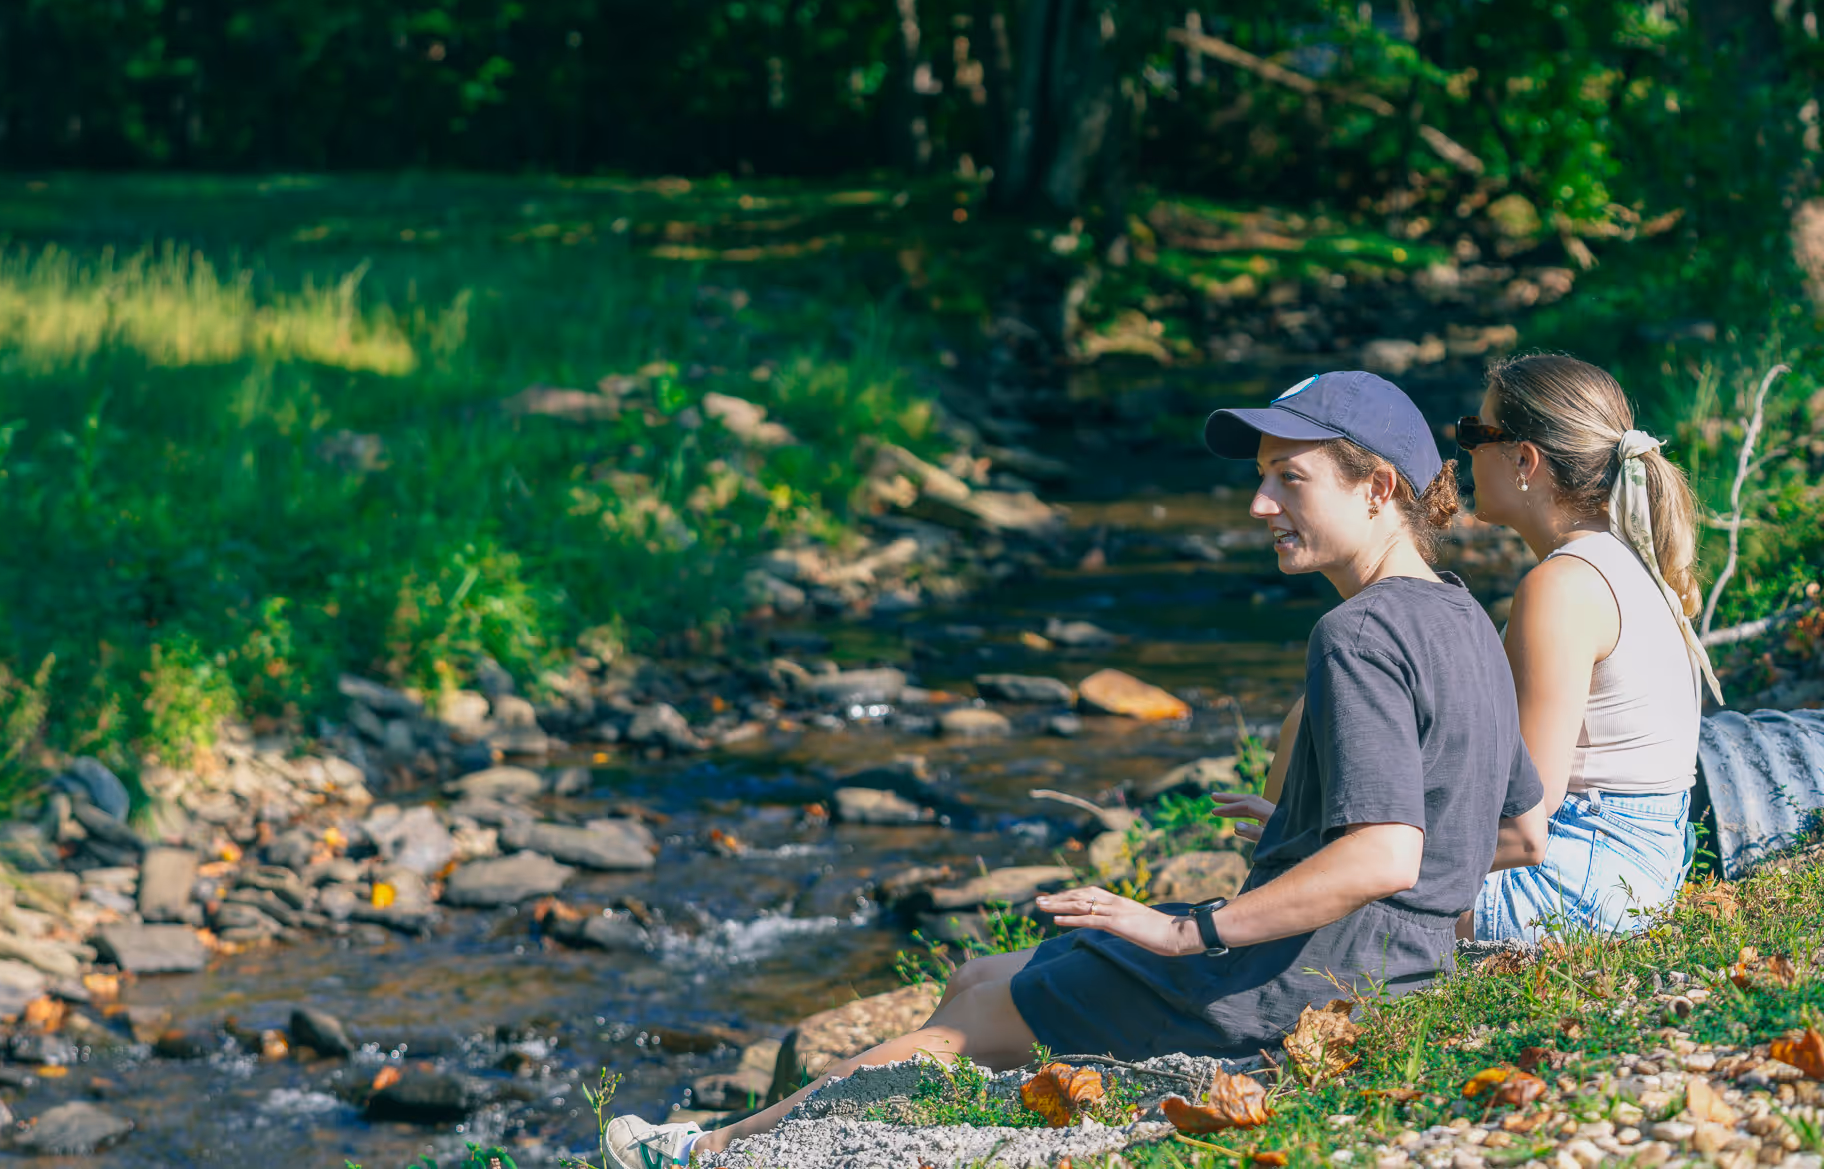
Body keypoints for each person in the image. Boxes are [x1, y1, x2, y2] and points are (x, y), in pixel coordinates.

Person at [600, 370, 1548, 1169]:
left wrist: (1190, 935)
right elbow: (1515, 830)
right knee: (980, 973)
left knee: (956, 1034)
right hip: (1388, 976)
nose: (1261, 505)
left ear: (1379, 485)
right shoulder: (1467, 616)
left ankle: (709, 1150)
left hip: (1290, 989)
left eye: (1289, 480)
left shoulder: (1356, 631)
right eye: (1263, 480)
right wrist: (1304, 827)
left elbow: (1385, 854)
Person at [1219, 355, 1719, 942]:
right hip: (1637, 868)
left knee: (1315, 893)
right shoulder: (1619, 561)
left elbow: (1521, 822)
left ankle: (1245, 952)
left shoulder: (1562, 587)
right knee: (1308, 728)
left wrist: (1319, 850)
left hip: (1580, 883)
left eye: (1475, 434)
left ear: (1525, 461)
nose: (1460, 455)